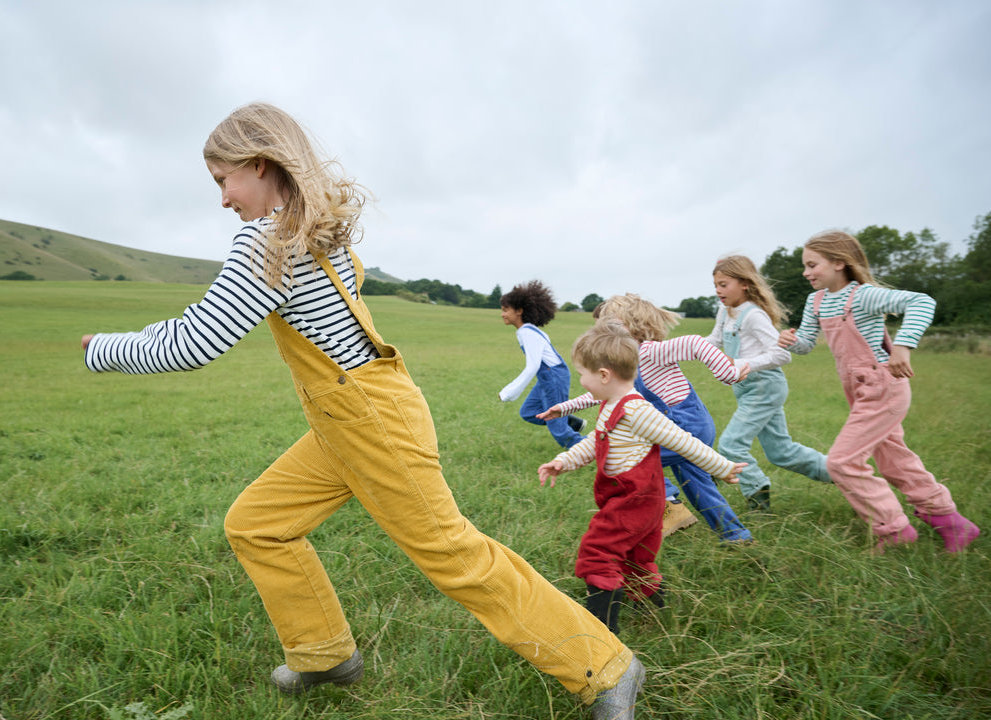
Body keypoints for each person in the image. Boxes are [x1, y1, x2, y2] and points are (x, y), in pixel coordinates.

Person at [80, 102, 645, 720]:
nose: (221, 199)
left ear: (260, 163)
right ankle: (322, 654)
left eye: (223, 180)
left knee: (453, 554)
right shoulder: (306, 233)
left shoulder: (268, 241)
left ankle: (605, 666)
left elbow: (195, 341)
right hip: (348, 419)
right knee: (258, 524)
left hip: (368, 421)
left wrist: (102, 349)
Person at [779, 230, 980, 554]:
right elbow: (805, 343)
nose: (806, 272)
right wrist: (792, 341)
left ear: (839, 262)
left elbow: (921, 301)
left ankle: (893, 530)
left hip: (883, 386)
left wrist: (902, 347)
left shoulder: (863, 296)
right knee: (895, 462)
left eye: (812, 264)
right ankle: (952, 524)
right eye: (805, 266)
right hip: (859, 390)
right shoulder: (815, 301)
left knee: (842, 462)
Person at [537, 321, 745, 634]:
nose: (581, 380)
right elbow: (597, 439)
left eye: (583, 373)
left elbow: (683, 440)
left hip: (635, 501)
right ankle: (654, 612)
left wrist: (722, 467)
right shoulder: (612, 403)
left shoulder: (637, 410)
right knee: (636, 560)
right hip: (636, 500)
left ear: (604, 375)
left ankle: (601, 631)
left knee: (598, 553)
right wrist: (563, 461)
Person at [541, 294, 753, 543]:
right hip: (683, 426)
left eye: (611, 324)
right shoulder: (628, 359)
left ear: (634, 324)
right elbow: (605, 391)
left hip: (685, 425)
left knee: (628, 458)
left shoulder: (651, 351)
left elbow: (696, 343)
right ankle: (736, 535)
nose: (604, 331)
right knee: (698, 485)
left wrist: (728, 373)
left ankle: (670, 504)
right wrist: (564, 408)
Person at [706, 255, 833, 513]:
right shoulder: (725, 311)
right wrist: (674, 349)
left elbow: (782, 354)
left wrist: (742, 364)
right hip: (747, 388)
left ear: (744, 283)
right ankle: (842, 472)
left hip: (764, 386)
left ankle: (757, 492)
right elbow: (713, 340)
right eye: (716, 285)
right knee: (781, 452)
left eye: (723, 284)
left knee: (731, 444)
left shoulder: (754, 315)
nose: (718, 291)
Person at [499, 281, 585, 449]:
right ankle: (571, 423)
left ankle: (591, 449)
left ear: (519, 311)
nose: (502, 314)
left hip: (552, 375)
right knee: (529, 412)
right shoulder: (530, 330)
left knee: (557, 428)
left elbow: (532, 366)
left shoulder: (527, 333)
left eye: (506, 310)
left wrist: (508, 392)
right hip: (548, 375)